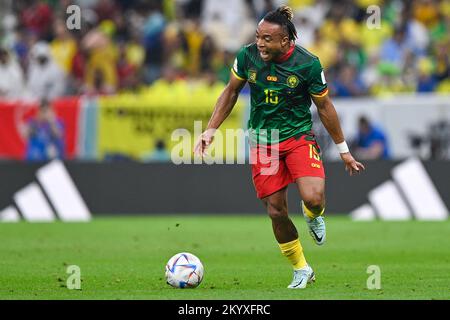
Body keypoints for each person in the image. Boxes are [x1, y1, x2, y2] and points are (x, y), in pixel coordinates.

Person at [194, 6, 365, 289]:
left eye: (267, 39)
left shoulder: (307, 64)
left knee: (314, 197)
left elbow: (324, 106)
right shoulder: (247, 56)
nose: (260, 43)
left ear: (285, 41)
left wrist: (344, 150)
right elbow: (231, 92)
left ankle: (313, 215)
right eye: (258, 36)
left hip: (297, 136)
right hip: (263, 142)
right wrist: (211, 129)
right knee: (276, 210)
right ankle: (301, 268)